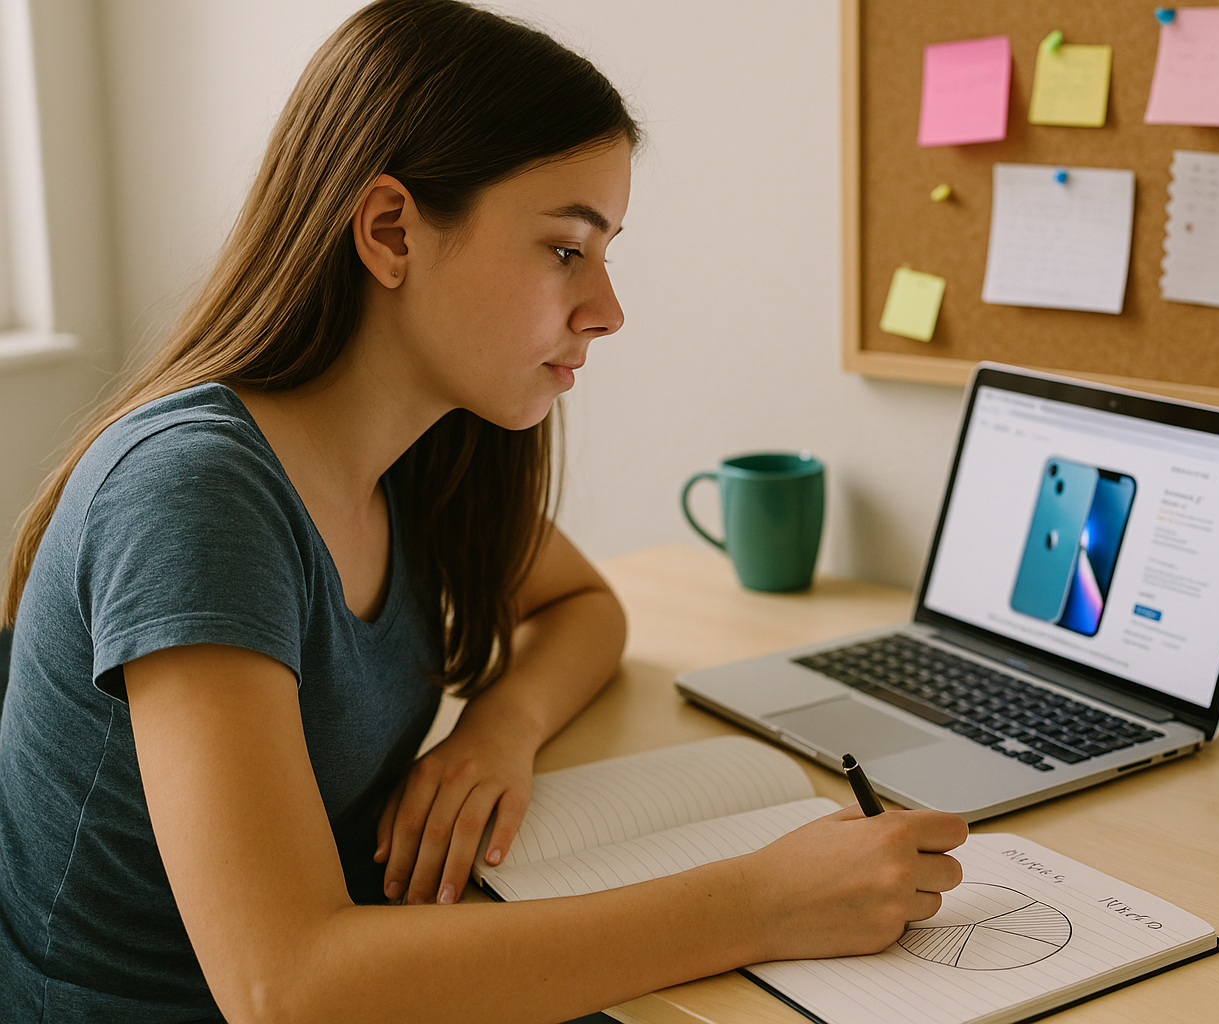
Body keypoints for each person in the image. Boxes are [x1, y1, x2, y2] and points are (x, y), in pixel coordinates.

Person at [0, 2, 968, 1021]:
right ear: (390, 231)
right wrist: (763, 902)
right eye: (565, 249)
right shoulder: (196, 495)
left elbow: (587, 606)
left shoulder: (417, 452)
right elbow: (283, 987)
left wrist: (499, 729)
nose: (607, 307)